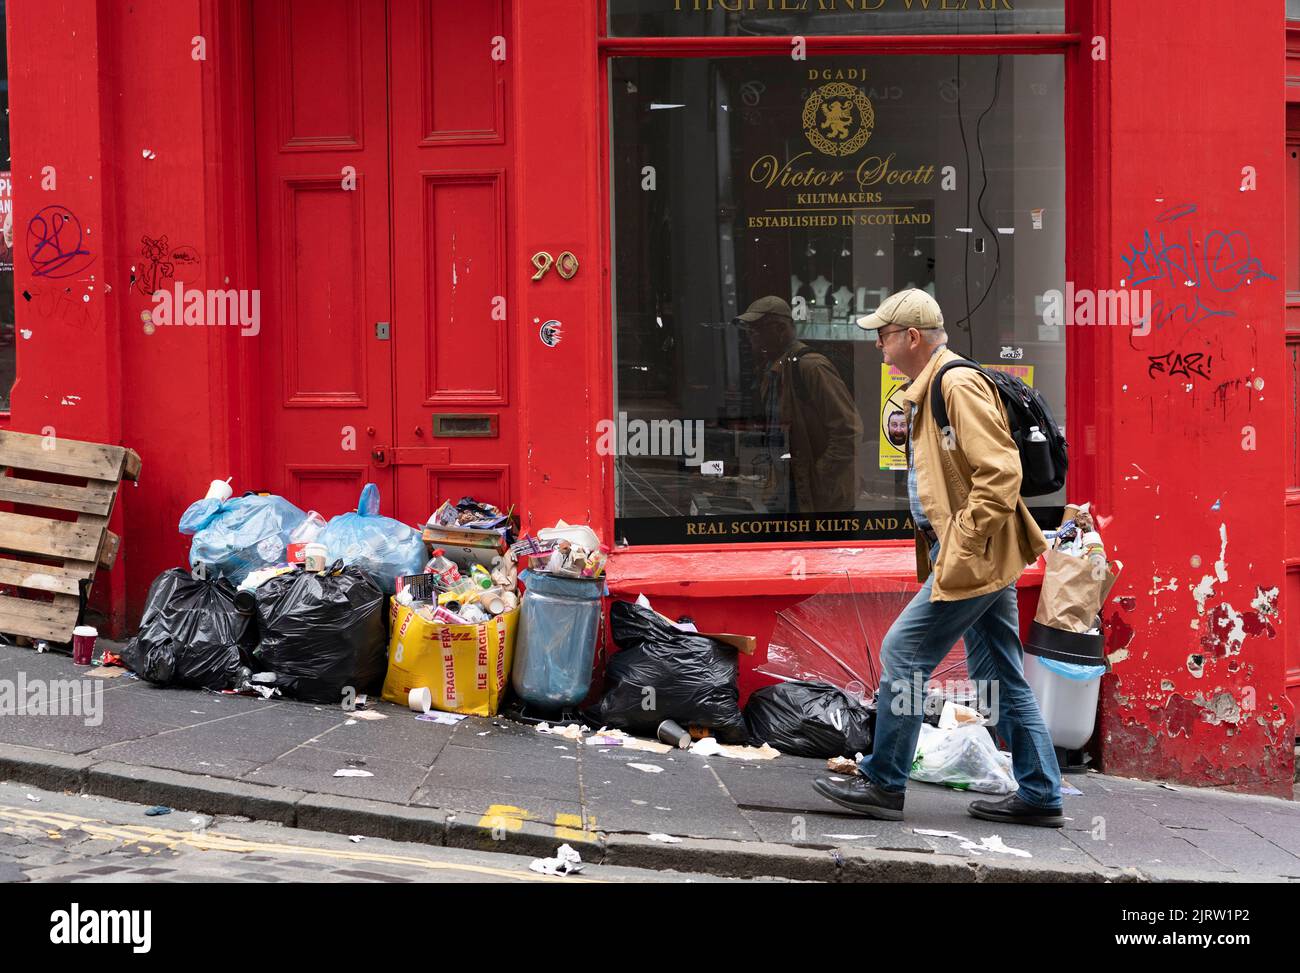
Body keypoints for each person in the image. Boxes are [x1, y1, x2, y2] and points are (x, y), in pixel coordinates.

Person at [810, 288, 1063, 827]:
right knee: (999, 673)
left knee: (903, 653)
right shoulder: (927, 387)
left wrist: (962, 547)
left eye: (884, 334)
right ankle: (1041, 791)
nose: (878, 343)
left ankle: (884, 782)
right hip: (984, 557)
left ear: (912, 337)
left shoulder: (957, 384)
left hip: (974, 558)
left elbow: (1001, 474)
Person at [735, 295, 862, 513]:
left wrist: (818, 475)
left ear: (780, 329)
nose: (751, 338)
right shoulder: (773, 369)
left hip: (818, 499)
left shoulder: (811, 367)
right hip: (787, 491)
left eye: (756, 331)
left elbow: (848, 431)